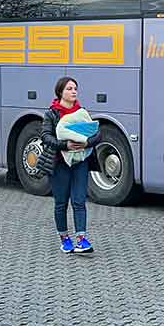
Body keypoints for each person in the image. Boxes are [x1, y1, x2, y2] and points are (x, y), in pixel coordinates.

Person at [39, 76, 97, 255]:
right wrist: (65, 145)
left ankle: (81, 239)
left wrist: (86, 143)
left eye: (75, 89)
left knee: (79, 200)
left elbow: (97, 134)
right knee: (61, 202)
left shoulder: (82, 112)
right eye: (69, 89)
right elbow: (45, 136)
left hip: (80, 162)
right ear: (60, 92)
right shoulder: (51, 114)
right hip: (59, 163)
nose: (73, 92)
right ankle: (64, 238)